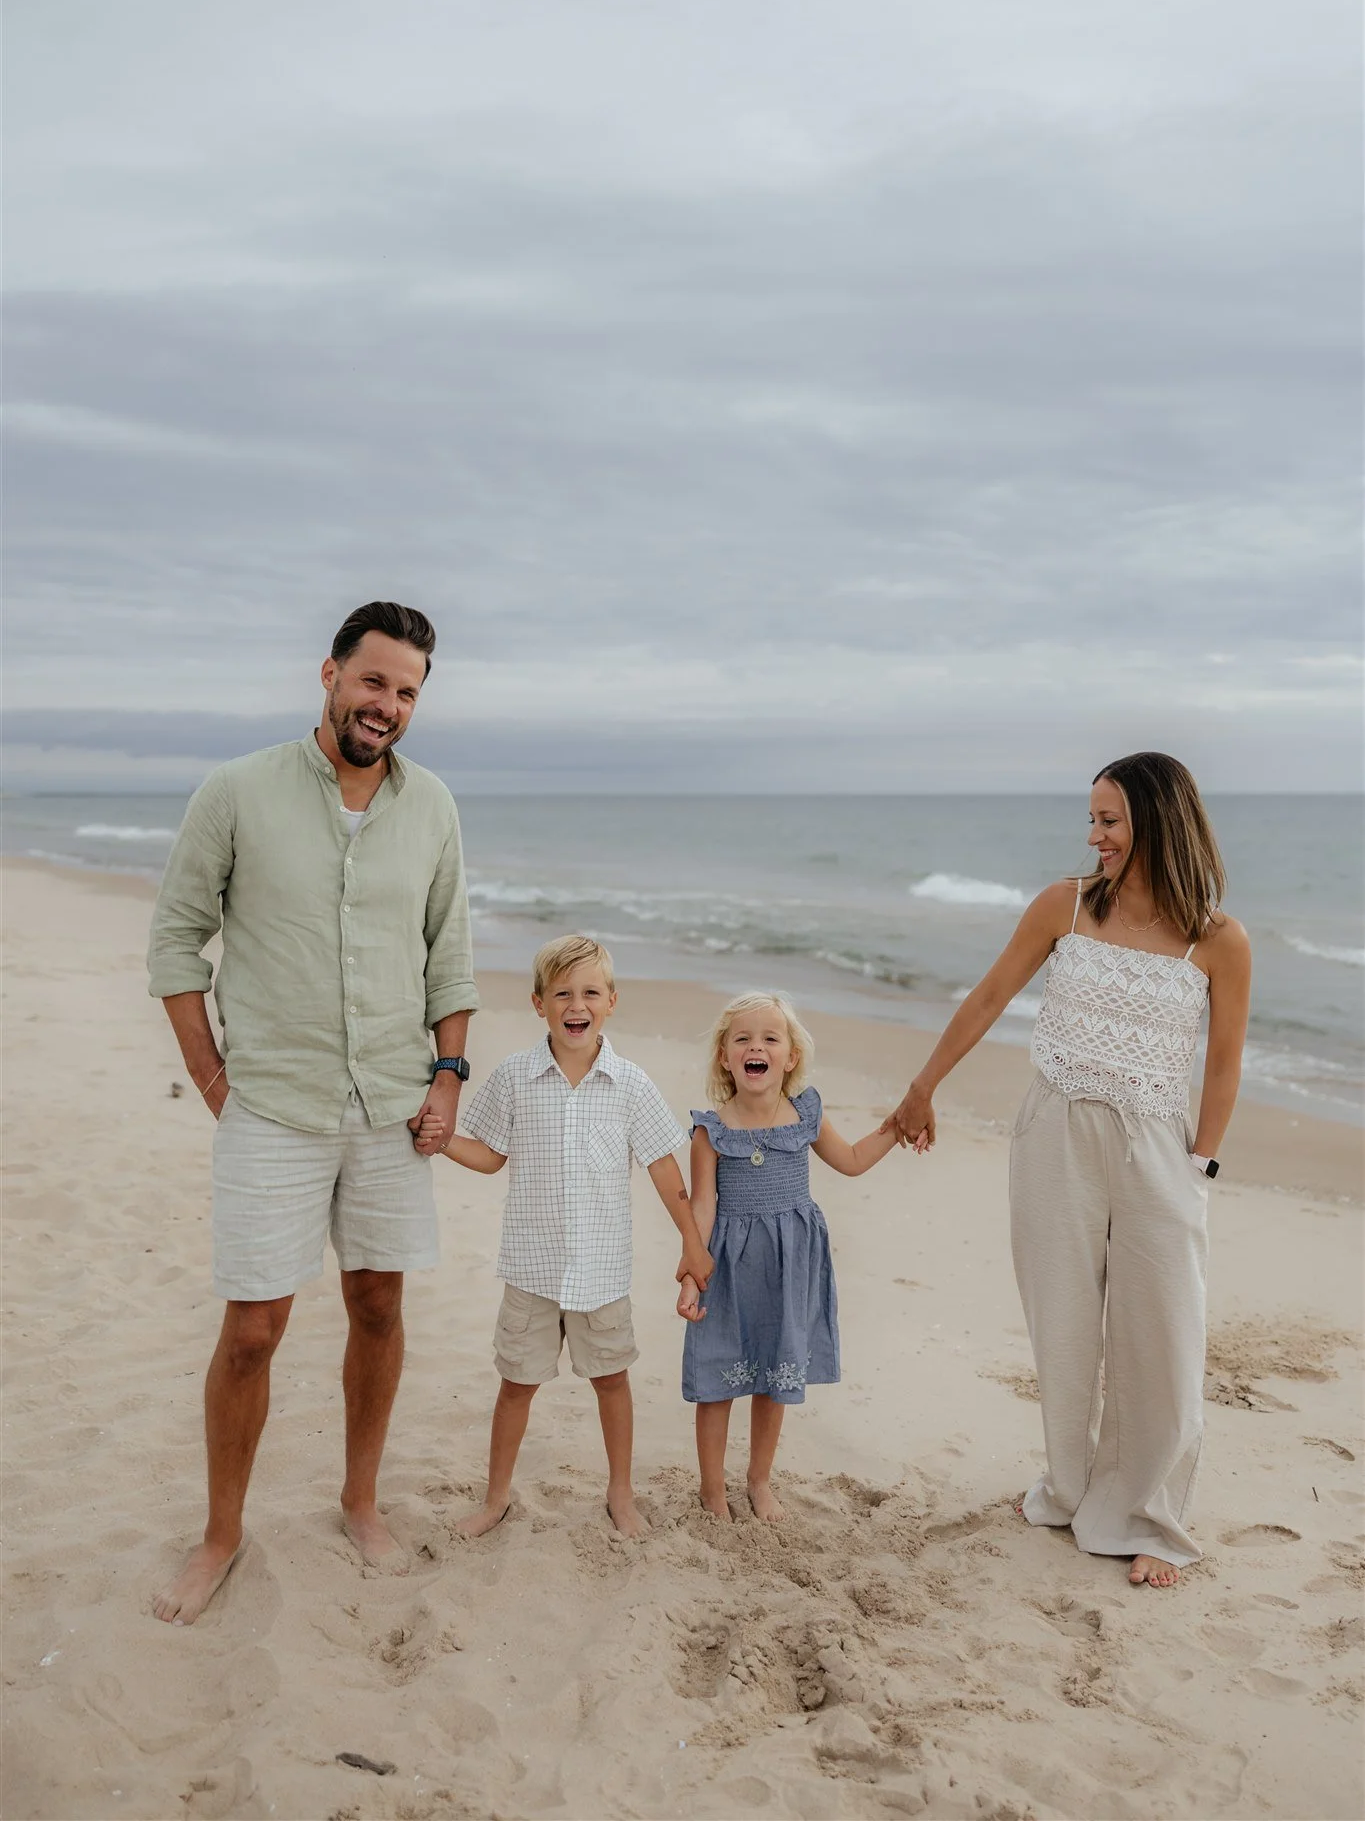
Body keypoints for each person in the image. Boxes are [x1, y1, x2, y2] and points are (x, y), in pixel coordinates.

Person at [147, 600, 479, 1624]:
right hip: (272, 1107)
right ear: (330, 674)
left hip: (389, 1104)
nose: (389, 704)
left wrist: (447, 1079)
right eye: (374, 681)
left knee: (379, 1305)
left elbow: (450, 959)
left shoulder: (434, 809)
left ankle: (360, 1498)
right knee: (254, 1326)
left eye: (408, 691)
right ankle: (220, 1532)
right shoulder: (237, 791)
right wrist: (211, 1078)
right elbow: (174, 942)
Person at [883, 753, 1251, 1588]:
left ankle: (1149, 1516)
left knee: (1162, 1330)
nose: (1094, 835)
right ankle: (1071, 1486)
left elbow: (1223, 1063)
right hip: (1053, 1131)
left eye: (1109, 820)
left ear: (1158, 820)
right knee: (1063, 1321)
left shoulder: (1218, 940)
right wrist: (921, 1087)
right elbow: (985, 998)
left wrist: (1200, 1167)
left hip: (1159, 1146)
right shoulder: (1066, 907)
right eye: (1092, 819)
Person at [415, 935, 713, 1539]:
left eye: (590, 993)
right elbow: (492, 1155)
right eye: (563, 994)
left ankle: (620, 1493)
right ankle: (496, 1496)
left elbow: (662, 1166)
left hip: (602, 1272)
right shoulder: (517, 1077)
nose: (577, 1004)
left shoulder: (629, 1083)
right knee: (516, 1385)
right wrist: (441, 1140)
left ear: (611, 1001)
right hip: (531, 1269)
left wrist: (690, 1240)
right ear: (538, 1004)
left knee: (611, 1381)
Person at [676, 991, 910, 1522]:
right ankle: (712, 1488)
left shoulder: (804, 1114)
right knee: (717, 1381)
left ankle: (759, 1481)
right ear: (724, 1055)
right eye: (742, 1038)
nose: (755, 1046)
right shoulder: (709, 1131)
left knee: (775, 1374)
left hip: (790, 1263)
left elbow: (850, 1161)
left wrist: (897, 1125)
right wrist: (692, 1278)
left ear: (790, 1056)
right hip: (728, 1269)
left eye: (769, 1038)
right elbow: (704, 1209)